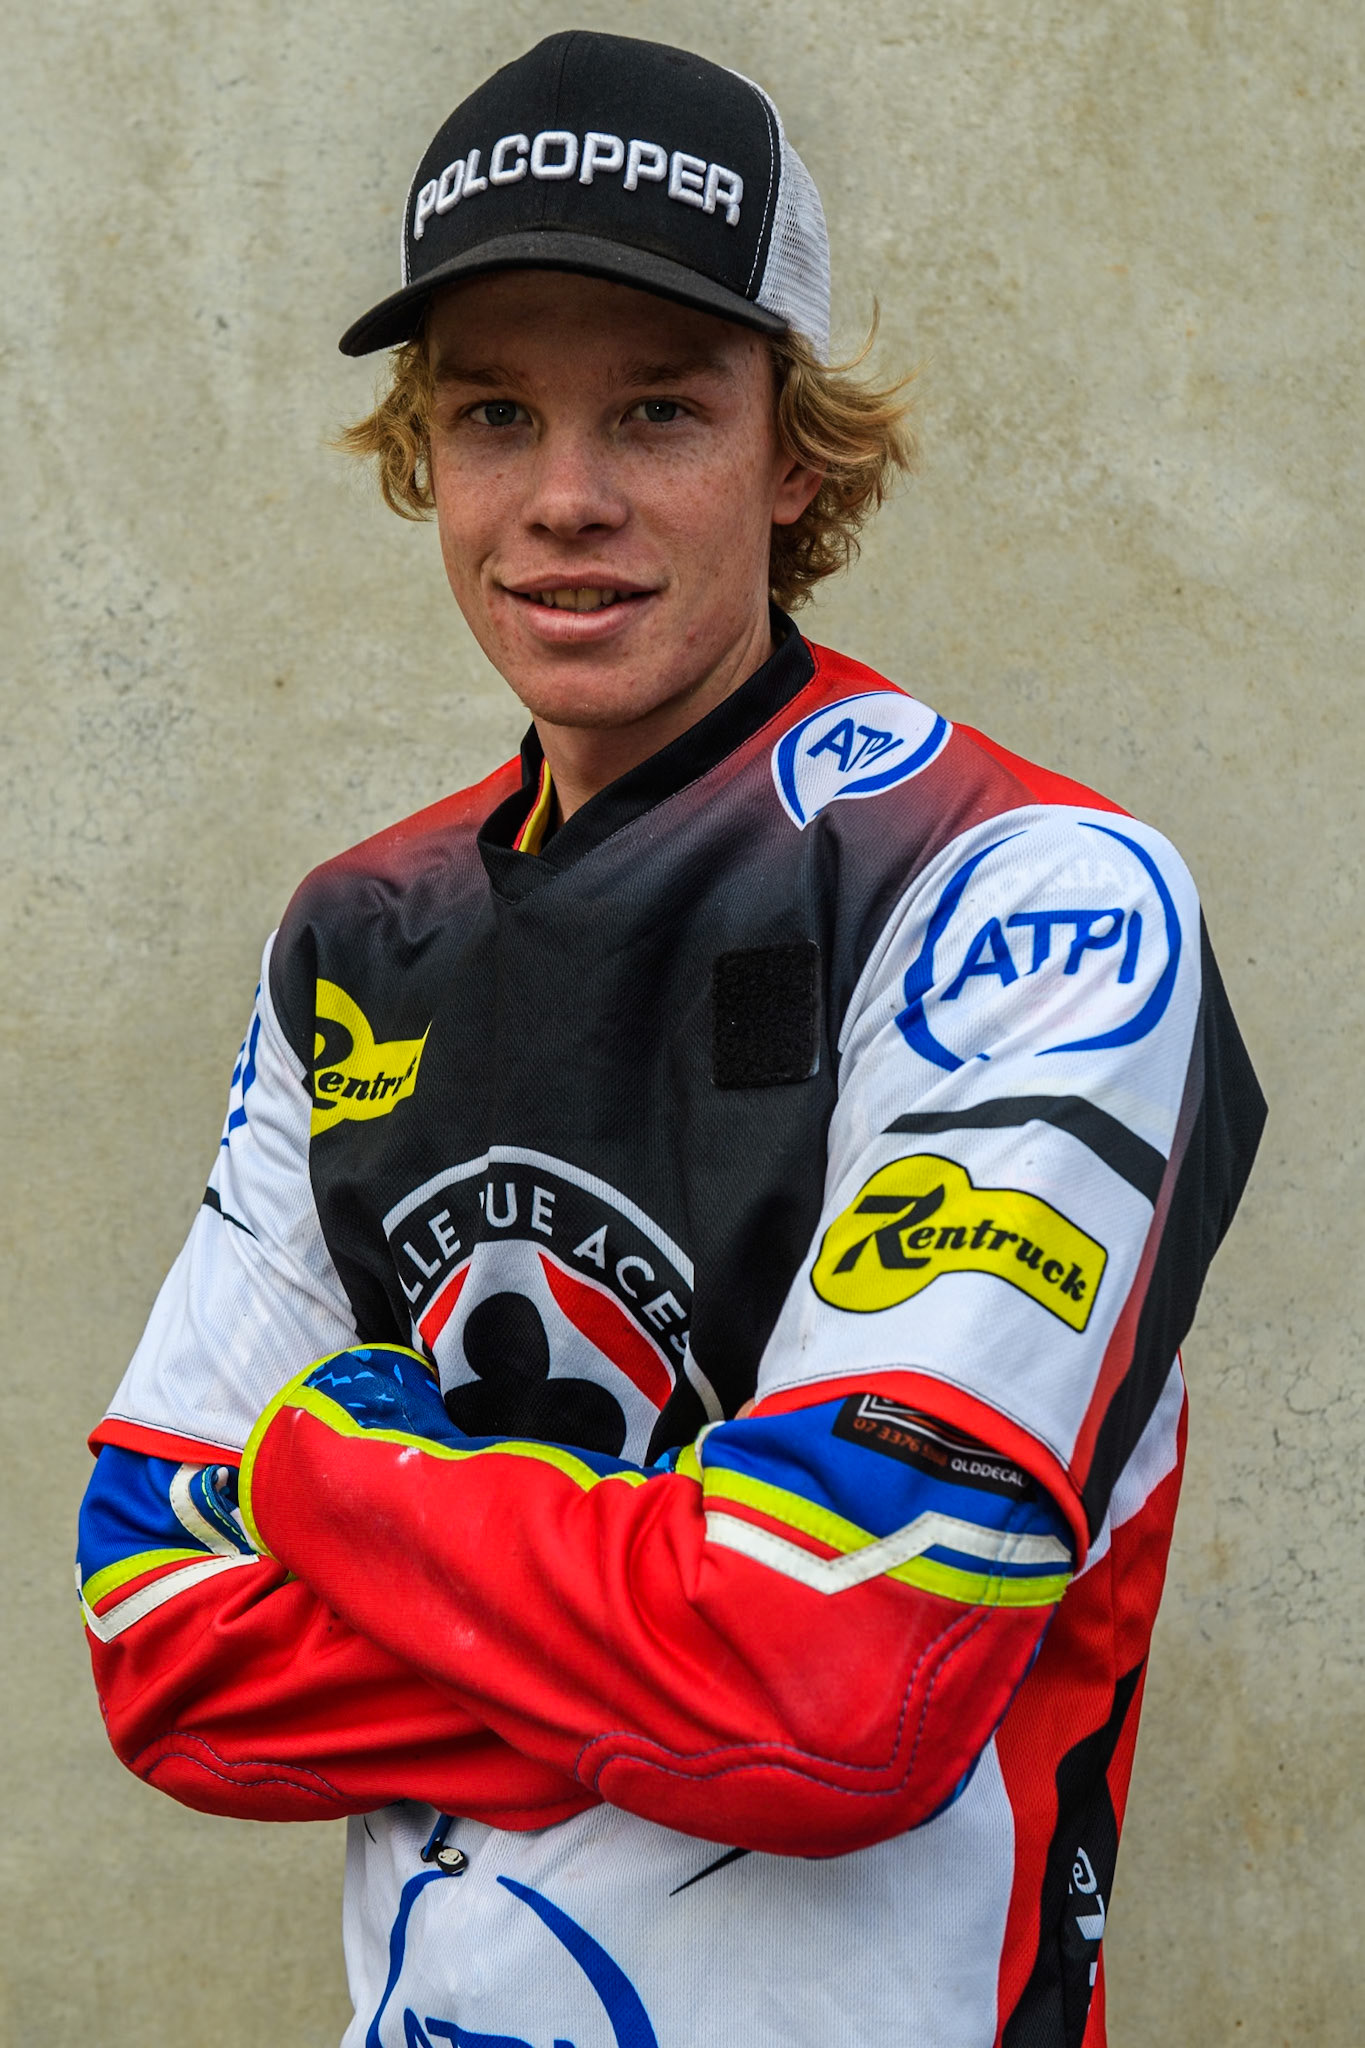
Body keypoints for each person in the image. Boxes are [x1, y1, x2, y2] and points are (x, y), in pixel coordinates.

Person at [76, 30, 1265, 2048]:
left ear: (792, 446)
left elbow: (841, 1677)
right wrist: (680, 1621)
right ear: (419, 451)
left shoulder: (1016, 889)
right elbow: (162, 1638)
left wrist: (335, 1474)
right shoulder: (357, 934)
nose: (562, 500)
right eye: (491, 413)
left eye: (654, 407)